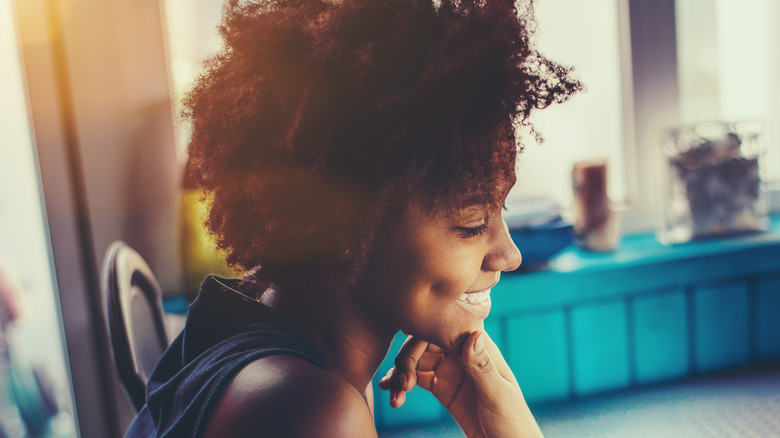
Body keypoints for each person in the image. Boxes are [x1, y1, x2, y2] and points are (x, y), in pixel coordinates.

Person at [127, 0, 580, 436]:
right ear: (347, 224)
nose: (510, 255)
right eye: (472, 223)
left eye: (502, 209)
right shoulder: (316, 412)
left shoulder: (259, 327)